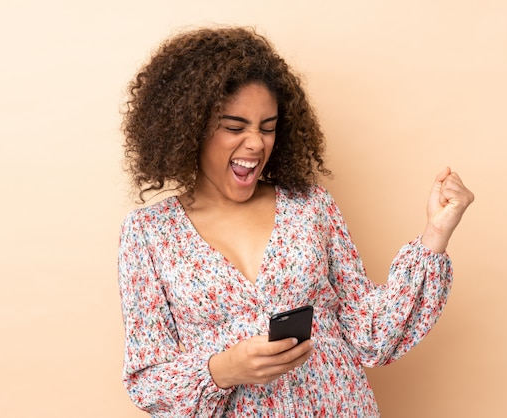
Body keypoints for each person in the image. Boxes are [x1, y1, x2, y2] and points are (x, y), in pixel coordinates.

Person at [117, 26, 474, 417]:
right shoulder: (149, 234)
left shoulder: (310, 207)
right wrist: (224, 370)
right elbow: (149, 382)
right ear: (190, 129)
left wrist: (435, 234)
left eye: (267, 127)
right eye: (235, 127)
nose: (256, 143)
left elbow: (371, 333)